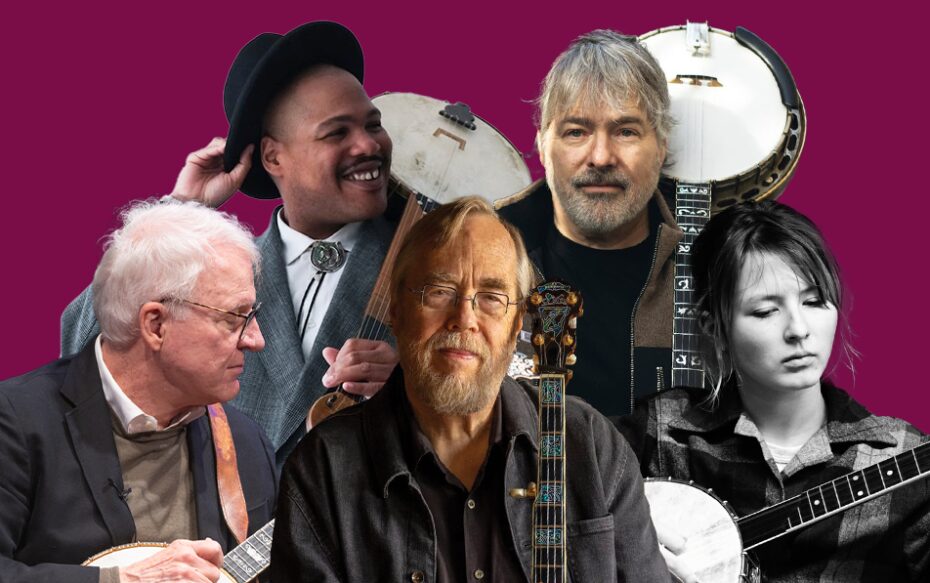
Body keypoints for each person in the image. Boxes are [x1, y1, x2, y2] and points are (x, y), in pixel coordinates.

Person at [270, 196, 670, 582]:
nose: (464, 319)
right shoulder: (322, 467)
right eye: (439, 292)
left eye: (492, 298)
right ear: (396, 310)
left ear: (517, 328)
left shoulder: (591, 446)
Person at [61, 21, 399, 468]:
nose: (368, 145)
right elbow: (82, 362)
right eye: (336, 133)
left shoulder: (436, 261)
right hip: (225, 537)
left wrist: (419, 391)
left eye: (372, 124)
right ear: (273, 157)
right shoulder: (217, 272)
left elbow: (513, 402)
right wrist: (176, 213)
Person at [618, 201, 930, 582]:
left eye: (815, 301)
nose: (798, 329)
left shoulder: (899, 453)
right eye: (766, 311)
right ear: (713, 325)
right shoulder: (659, 433)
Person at [0, 201, 276, 583]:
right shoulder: (15, 420)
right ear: (156, 324)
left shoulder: (246, 442)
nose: (256, 340)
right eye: (234, 318)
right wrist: (118, 581)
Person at [498, 29, 682, 422]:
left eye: (626, 131)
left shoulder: (718, 266)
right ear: (544, 146)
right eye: (576, 132)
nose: (600, 156)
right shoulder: (483, 255)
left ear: (662, 148)